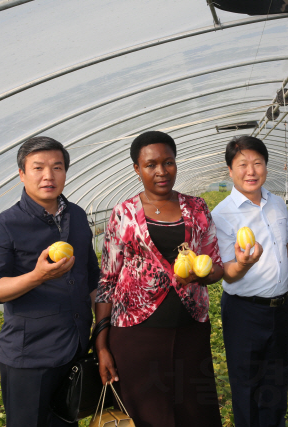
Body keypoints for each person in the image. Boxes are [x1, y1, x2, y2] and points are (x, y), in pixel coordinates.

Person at [94, 131, 224, 427]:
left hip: (190, 331)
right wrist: (101, 345)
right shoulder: (123, 213)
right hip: (136, 336)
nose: (162, 171)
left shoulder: (197, 207)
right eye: (151, 165)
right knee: (147, 415)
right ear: (137, 169)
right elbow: (107, 282)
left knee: (194, 411)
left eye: (168, 162)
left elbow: (215, 265)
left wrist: (201, 276)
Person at [0, 136, 100, 427]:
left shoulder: (77, 217)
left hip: (76, 348)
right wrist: (37, 276)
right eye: (38, 168)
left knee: (67, 421)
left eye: (57, 167)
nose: (48, 176)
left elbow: (90, 274)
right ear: (22, 174)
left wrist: (102, 326)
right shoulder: (3, 225)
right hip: (31, 356)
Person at [211, 135, 288, 427]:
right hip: (244, 311)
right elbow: (226, 271)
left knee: (276, 383)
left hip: (278, 309)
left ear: (266, 166)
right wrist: (242, 264)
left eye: (257, 163)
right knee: (247, 384)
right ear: (230, 170)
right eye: (242, 165)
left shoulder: (276, 203)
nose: (250, 171)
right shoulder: (222, 214)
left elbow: (283, 250)